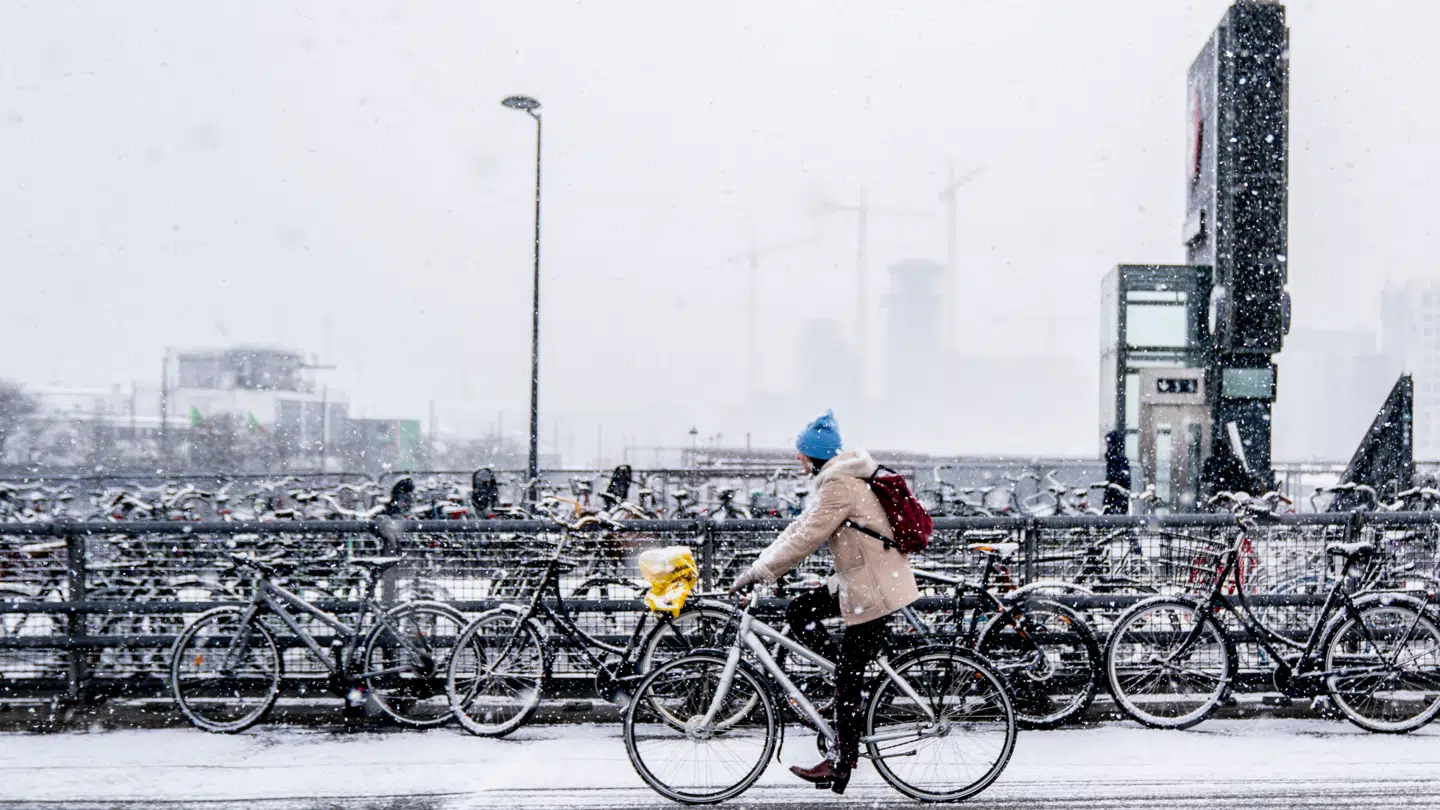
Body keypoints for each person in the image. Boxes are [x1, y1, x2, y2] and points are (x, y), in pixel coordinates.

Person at [728, 410, 919, 795]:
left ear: (813, 454)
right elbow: (797, 529)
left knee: (849, 675)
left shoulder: (839, 485)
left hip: (874, 589)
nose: (797, 459)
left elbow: (807, 538)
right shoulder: (834, 480)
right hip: (862, 580)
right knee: (800, 611)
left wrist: (761, 573)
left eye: (801, 453)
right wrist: (760, 567)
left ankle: (840, 760)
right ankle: (848, 685)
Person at [1103, 430, 1132, 515]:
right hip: (1114, 499)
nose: (1106, 446)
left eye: (1107, 443)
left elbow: (1121, 478)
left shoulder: (1117, 460)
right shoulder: (1114, 459)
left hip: (1116, 499)